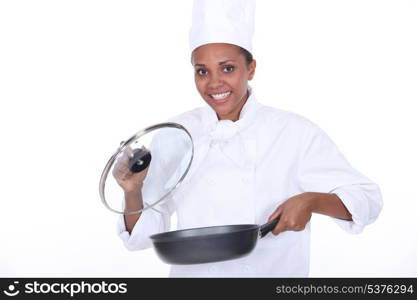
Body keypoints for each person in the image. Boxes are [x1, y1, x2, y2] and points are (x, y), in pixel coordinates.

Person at [114, 0, 383, 277]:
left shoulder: (294, 132)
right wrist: (132, 191)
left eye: (227, 68)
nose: (214, 83)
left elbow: (367, 200)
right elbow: (143, 236)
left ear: (251, 68)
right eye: (202, 71)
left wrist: (312, 201)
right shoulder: (177, 134)